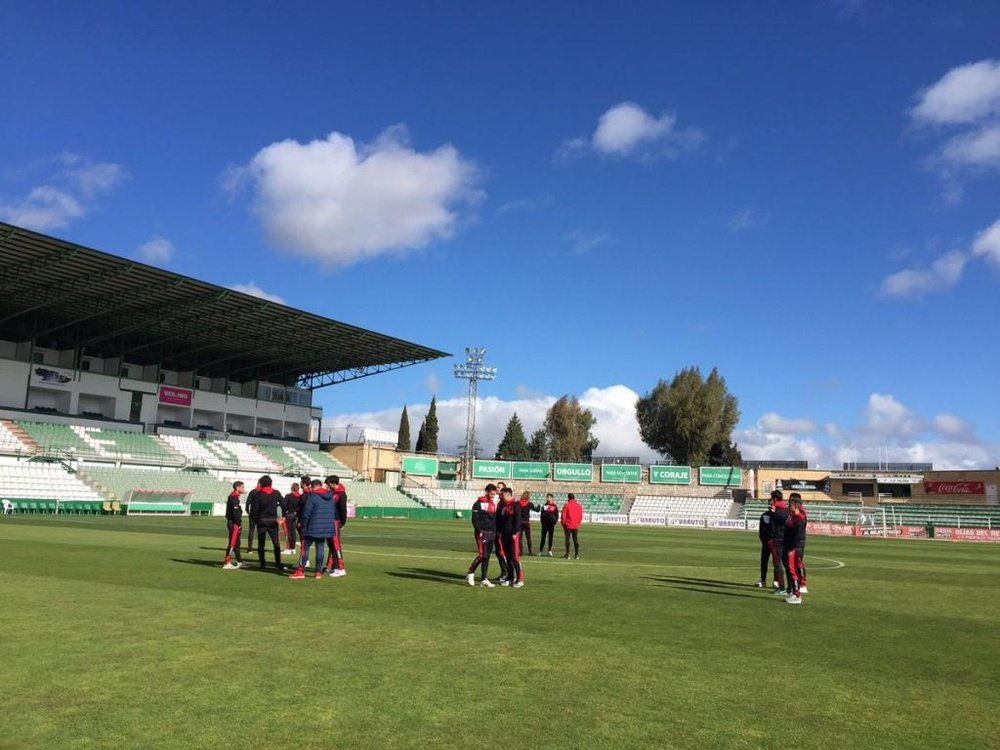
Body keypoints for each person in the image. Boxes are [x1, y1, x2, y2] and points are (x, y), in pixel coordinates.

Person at [290, 479, 337, 580]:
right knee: (320, 549)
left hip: (312, 527)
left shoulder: (313, 497)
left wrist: (303, 525)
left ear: (314, 487)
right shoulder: (331, 497)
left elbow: (306, 513)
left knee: (305, 548)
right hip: (325, 528)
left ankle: (300, 571)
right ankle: (318, 572)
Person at [465, 485, 498, 587]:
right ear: (487, 492)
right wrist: (479, 531)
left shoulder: (493, 504)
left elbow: (493, 520)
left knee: (487, 557)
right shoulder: (478, 504)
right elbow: (475, 519)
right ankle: (470, 572)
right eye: (491, 493)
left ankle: (484, 578)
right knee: (482, 555)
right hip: (482, 533)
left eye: (494, 493)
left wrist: (494, 532)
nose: (493, 495)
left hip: (491, 533)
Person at [251, 475, 284, 572]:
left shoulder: (258, 494)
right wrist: (282, 516)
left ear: (261, 483)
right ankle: (277, 563)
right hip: (273, 521)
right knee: (276, 543)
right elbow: (283, 504)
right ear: (271, 483)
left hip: (262, 520)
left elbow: (254, 510)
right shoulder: (276, 493)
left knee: (261, 544)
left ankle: (262, 563)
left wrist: (257, 520)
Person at [496, 487, 524, 587]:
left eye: (502, 495)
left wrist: (515, 533)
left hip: (513, 535)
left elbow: (518, 520)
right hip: (504, 535)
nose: (501, 496)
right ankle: (510, 578)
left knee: (515, 557)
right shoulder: (503, 506)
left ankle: (520, 579)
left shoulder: (515, 505)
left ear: (508, 495)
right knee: (508, 557)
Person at [784, 496, 807, 605]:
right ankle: (794, 592)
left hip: (794, 548)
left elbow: (798, 536)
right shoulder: (794, 517)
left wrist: (791, 548)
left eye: (790, 505)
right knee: (792, 570)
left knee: (793, 571)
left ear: (796, 506)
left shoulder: (798, 519)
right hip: (792, 547)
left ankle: (797, 595)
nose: (789, 506)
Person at [323, 475, 347, 577]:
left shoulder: (341, 494)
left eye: (328, 484)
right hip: (330, 521)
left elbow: (343, 509)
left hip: (335, 521)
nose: (327, 486)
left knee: (336, 544)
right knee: (331, 544)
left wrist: (342, 522)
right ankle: (333, 566)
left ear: (333, 483)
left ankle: (341, 568)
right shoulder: (332, 493)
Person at [768, 490, 789, 596]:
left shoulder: (774, 509)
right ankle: (790, 588)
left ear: (774, 498)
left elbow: (772, 525)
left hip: (777, 539)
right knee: (787, 564)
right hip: (787, 539)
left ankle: (781, 588)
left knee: (777, 564)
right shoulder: (787, 509)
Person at [222, 481, 245, 569]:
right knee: (232, 543)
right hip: (234, 523)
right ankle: (227, 562)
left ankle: (239, 561)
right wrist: (238, 523)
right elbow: (235, 513)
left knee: (236, 543)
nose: (243, 489)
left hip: (234, 522)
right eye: (242, 487)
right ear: (237, 488)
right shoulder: (234, 498)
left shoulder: (235, 497)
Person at [755, 501, 773, 587]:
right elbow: (761, 529)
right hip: (766, 542)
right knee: (764, 561)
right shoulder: (764, 515)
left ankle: (777, 581)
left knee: (777, 563)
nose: (770, 505)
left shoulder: (779, 515)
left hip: (776, 542)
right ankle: (763, 580)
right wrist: (763, 540)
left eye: (772, 503)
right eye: (769, 503)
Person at [517, 490, 541, 556]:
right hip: (526, 522)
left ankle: (520, 552)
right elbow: (537, 510)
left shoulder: (518, 503)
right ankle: (530, 552)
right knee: (528, 537)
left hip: (519, 522)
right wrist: (539, 506)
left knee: (520, 538)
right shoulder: (529, 503)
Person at [281, 482, 302, 555]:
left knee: (288, 532)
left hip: (289, 515)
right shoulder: (300, 496)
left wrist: (283, 515)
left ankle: (288, 548)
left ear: (292, 488)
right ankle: (293, 548)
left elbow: (284, 506)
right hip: (296, 516)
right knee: (293, 533)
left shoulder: (288, 496)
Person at [561, 493, 583, 559]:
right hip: (575, 525)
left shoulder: (567, 505)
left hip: (568, 525)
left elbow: (563, 516)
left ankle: (568, 554)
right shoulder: (579, 506)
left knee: (567, 540)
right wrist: (578, 523)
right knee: (575, 539)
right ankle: (577, 555)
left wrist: (563, 523)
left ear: (568, 498)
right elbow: (580, 516)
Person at [244, 480, 259, 553]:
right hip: (261, 515)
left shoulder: (252, 492)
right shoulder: (264, 492)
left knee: (251, 531)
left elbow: (247, 503)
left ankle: (250, 548)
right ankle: (260, 548)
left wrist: (248, 512)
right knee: (261, 531)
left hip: (253, 514)